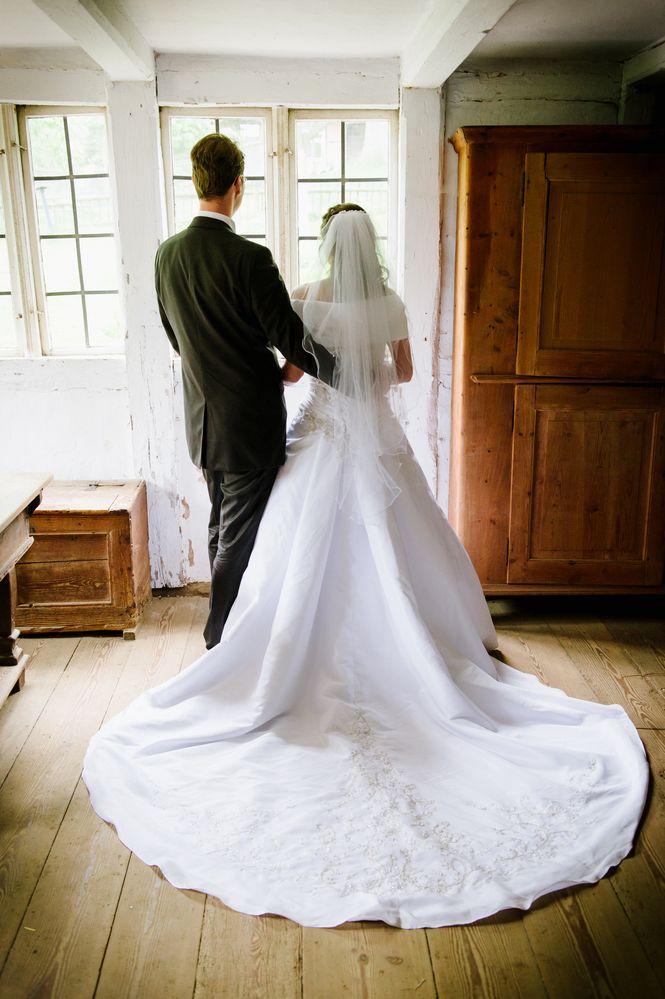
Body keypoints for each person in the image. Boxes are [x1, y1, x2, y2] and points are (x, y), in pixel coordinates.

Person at [83, 205, 648, 930]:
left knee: (285, 550)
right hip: (375, 439)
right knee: (402, 543)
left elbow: (291, 370)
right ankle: (426, 644)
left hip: (321, 436)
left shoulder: (307, 297)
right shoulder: (389, 300)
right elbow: (403, 372)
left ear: (324, 245)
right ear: (370, 243)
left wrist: (324, 374)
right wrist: (368, 377)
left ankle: (265, 650)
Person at [154, 133, 337, 650]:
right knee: (237, 534)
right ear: (238, 185)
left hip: (201, 423)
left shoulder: (166, 255)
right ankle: (220, 638)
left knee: (219, 525)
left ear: (197, 183)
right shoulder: (251, 258)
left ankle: (227, 628)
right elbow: (292, 340)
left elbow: (177, 339)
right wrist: (350, 377)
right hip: (250, 425)